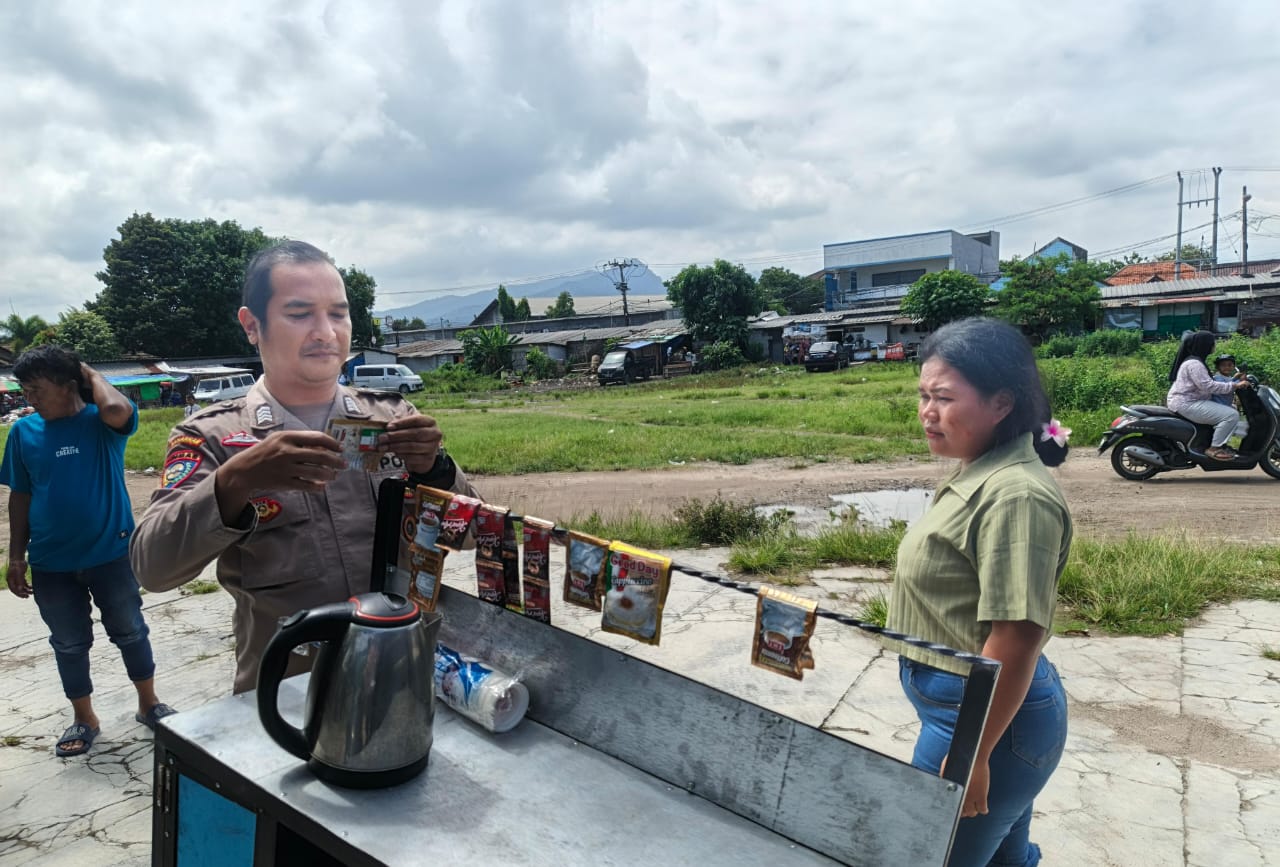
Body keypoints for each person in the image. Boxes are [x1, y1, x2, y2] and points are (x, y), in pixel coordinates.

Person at [130, 240, 480, 694]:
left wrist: (436, 469)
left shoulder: (394, 417)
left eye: (338, 313)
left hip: (406, 675)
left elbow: (474, 536)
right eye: (300, 314)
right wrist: (235, 481)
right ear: (252, 325)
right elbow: (153, 569)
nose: (325, 332)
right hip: (289, 694)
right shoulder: (213, 437)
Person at [887, 317, 1071, 867]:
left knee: (926, 856)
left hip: (982, 724)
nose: (927, 411)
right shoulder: (982, 470)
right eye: (923, 396)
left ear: (1001, 404)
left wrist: (972, 754)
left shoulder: (1016, 496)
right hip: (972, 714)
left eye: (944, 397)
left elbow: (1016, 638)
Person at [1, 346, 174, 757]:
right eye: (25, 390)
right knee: (68, 643)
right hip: (51, 563)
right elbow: (20, 496)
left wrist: (88, 372)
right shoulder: (24, 433)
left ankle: (149, 705)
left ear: (67, 385)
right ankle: (85, 718)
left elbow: (118, 408)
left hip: (111, 554)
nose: (30, 398)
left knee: (130, 631)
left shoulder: (101, 422)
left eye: (37, 389)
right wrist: (15, 555)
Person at [1166, 332, 1251, 461]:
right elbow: (1208, 386)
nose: (1214, 345)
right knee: (1231, 415)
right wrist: (1235, 385)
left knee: (1232, 409)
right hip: (1187, 402)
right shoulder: (1194, 364)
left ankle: (1221, 444)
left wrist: (1233, 380)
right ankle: (1214, 448)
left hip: (1191, 400)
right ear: (1204, 345)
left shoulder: (1196, 361)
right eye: (1212, 343)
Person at [1211, 354, 1249, 441]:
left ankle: (1225, 440)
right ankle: (1221, 440)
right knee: (1232, 414)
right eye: (1223, 365)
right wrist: (1238, 382)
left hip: (1225, 405)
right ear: (1218, 367)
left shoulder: (1227, 377)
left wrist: (1239, 378)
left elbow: (1231, 382)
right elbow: (1226, 387)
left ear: (1233, 366)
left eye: (1229, 365)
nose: (1227, 367)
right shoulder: (1217, 378)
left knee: (1234, 409)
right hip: (1218, 406)